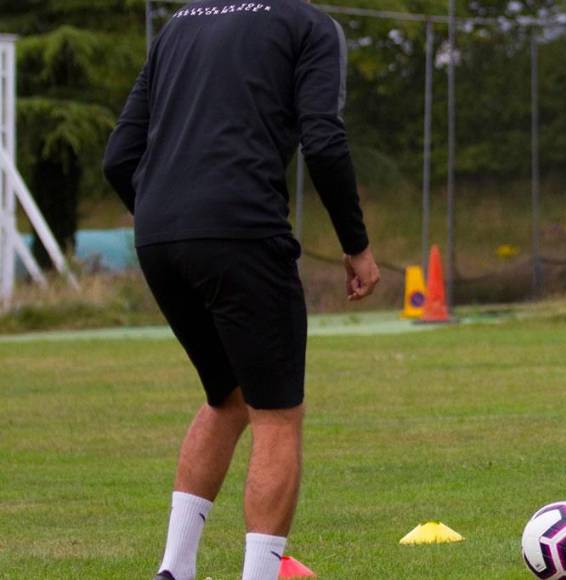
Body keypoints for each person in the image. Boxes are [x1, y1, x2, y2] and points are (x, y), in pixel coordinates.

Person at [102, 1, 380, 579]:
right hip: (241, 233)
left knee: (226, 398)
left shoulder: (180, 24)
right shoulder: (307, 25)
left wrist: (170, 220)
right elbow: (324, 142)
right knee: (278, 414)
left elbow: (118, 157)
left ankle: (174, 569)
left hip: (158, 238)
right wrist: (356, 245)